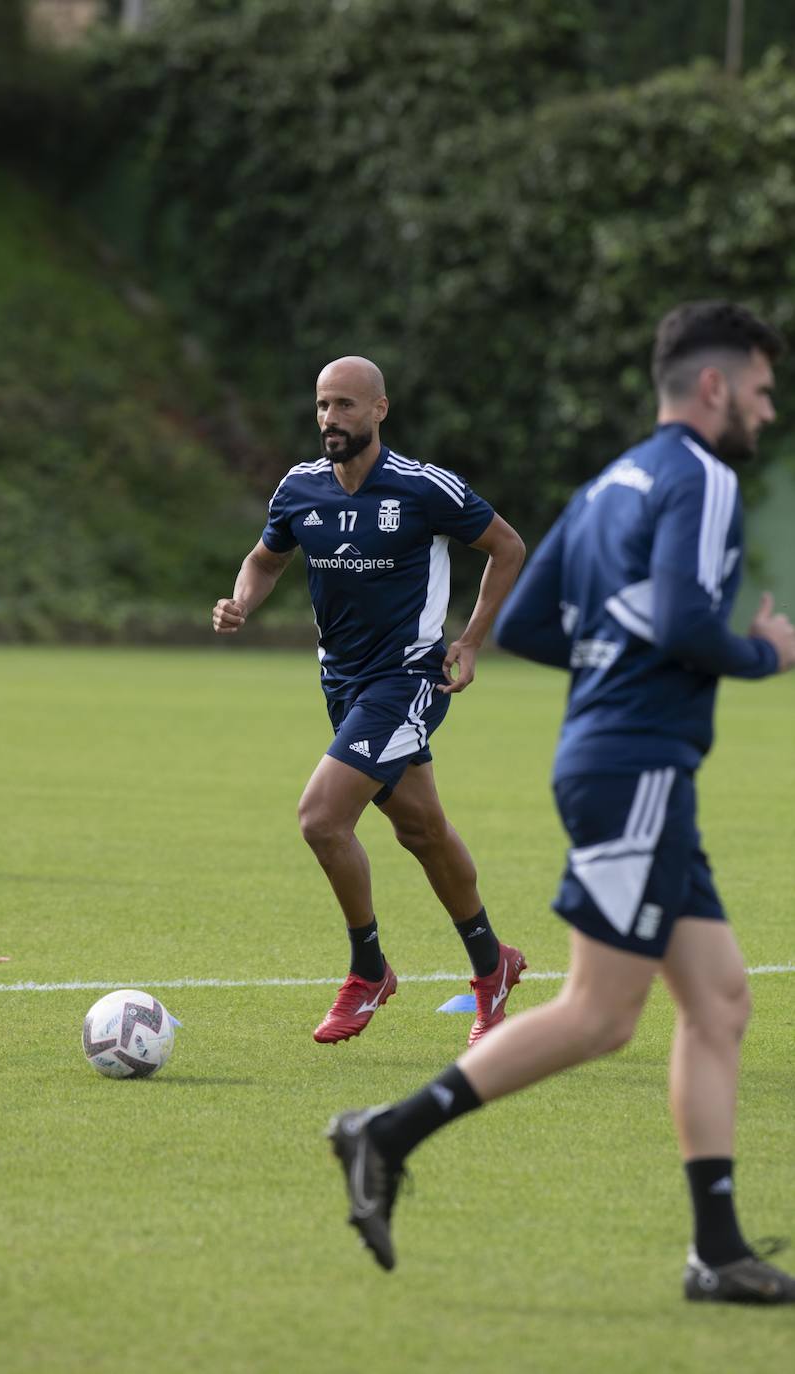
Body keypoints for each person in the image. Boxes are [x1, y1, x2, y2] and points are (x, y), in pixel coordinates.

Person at [326, 303, 795, 1303]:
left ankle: (715, 1252)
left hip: (628, 765)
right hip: (632, 768)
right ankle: (385, 1133)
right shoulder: (703, 478)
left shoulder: (613, 479)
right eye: (760, 388)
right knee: (599, 1014)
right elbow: (681, 619)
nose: (765, 407)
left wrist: (620, 646)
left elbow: (533, 620)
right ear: (713, 386)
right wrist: (764, 653)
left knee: (717, 1002)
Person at [213, 355, 527, 1045]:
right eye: (324, 406)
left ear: (380, 409)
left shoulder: (422, 488)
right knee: (422, 831)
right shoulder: (299, 489)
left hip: (410, 680)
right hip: (343, 685)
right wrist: (242, 601)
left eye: (347, 406)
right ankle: (492, 964)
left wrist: (471, 642)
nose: (331, 419)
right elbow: (265, 560)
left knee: (321, 818)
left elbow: (507, 547)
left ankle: (368, 969)